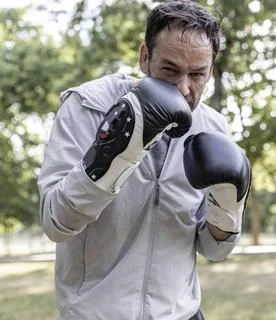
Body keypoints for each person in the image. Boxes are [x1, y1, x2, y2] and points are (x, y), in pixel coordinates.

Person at [37, 1, 251, 319]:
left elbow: (215, 249)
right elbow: (55, 222)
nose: (183, 88)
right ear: (144, 57)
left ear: (210, 70)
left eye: (197, 75)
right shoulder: (88, 106)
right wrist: (112, 156)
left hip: (182, 313)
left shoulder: (214, 129)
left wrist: (227, 208)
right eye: (170, 70)